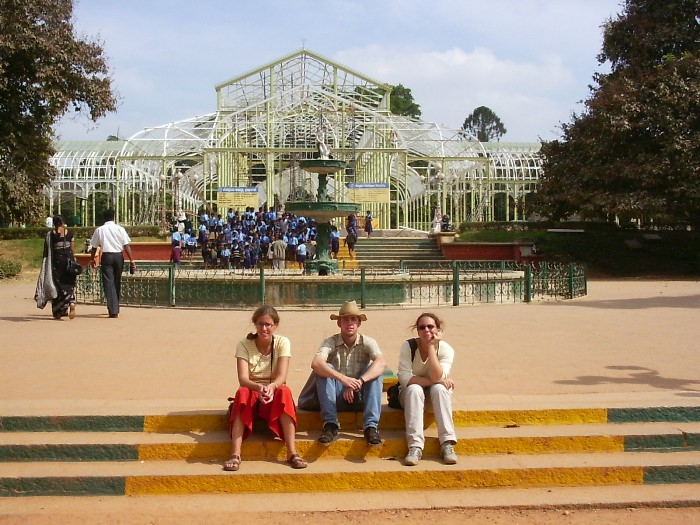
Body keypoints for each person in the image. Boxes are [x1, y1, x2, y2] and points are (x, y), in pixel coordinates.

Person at [224, 305, 307, 471]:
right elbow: (243, 379)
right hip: (252, 390)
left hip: (273, 389)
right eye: (261, 324)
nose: (264, 328)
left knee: (285, 391)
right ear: (255, 324)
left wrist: (271, 387)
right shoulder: (244, 344)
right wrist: (259, 388)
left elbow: (282, 377)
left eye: (268, 324)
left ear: (275, 325)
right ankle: (235, 453)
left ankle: (292, 452)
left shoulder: (282, 342)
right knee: (242, 393)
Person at [311, 300, 386, 446]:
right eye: (345, 319)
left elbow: (381, 362)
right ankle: (331, 424)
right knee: (325, 369)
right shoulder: (330, 342)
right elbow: (316, 363)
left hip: (360, 394)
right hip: (335, 395)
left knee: (374, 372)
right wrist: (342, 379)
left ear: (359, 323)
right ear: (339, 323)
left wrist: (360, 382)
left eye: (353, 319)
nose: (349, 323)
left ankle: (370, 426)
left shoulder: (367, 341)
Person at [398, 312, 457, 466]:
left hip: (433, 400)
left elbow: (437, 377)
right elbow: (404, 379)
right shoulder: (409, 346)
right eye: (422, 327)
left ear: (439, 329)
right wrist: (434, 381)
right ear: (417, 331)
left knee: (440, 389)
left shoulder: (446, 350)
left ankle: (447, 443)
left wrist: (431, 347)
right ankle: (415, 446)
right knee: (414, 389)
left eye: (430, 327)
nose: (426, 330)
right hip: (410, 397)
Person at [89, 209, 136, 319]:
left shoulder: (99, 230)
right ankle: (115, 306)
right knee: (116, 281)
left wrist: (92, 260)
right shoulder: (120, 229)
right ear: (114, 217)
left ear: (104, 218)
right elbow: (126, 246)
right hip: (119, 256)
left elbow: (94, 247)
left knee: (108, 283)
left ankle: (113, 309)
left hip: (107, 256)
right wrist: (132, 260)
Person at [34, 215, 78, 320]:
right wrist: (73, 259)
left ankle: (58, 311)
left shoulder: (51, 235)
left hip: (57, 263)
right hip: (69, 262)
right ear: (63, 222)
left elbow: (47, 250)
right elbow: (72, 249)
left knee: (58, 285)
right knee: (69, 283)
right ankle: (71, 301)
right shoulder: (70, 233)